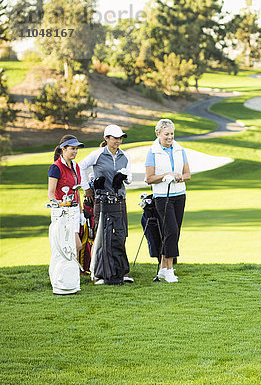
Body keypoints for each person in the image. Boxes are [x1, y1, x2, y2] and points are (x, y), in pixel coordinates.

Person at [79, 124, 133, 283]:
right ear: (106, 139)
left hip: (119, 200)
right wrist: (87, 188)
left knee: (120, 234)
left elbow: (129, 178)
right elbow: (80, 166)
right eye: (115, 138)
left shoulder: (125, 155)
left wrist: (122, 177)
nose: (118, 141)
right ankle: (98, 273)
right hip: (101, 201)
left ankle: (119, 271)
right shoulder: (97, 154)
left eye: (120, 138)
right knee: (100, 235)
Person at [145, 118, 190, 283]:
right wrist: (166, 176)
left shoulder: (180, 150)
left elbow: (188, 174)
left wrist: (178, 177)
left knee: (174, 232)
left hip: (179, 195)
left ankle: (163, 268)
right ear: (158, 134)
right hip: (162, 197)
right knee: (171, 231)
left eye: (171, 133)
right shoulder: (153, 152)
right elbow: (149, 178)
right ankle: (170, 270)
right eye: (166, 134)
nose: (170, 137)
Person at [48, 135, 85, 252]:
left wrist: (81, 212)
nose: (75, 151)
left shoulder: (76, 166)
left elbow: (76, 191)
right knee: (75, 245)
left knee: (73, 247)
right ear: (63, 149)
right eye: (72, 148)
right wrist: (59, 208)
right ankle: (71, 270)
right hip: (63, 213)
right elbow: (51, 193)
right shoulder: (56, 168)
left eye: (76, 149)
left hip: (74, 211)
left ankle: (75, 270)